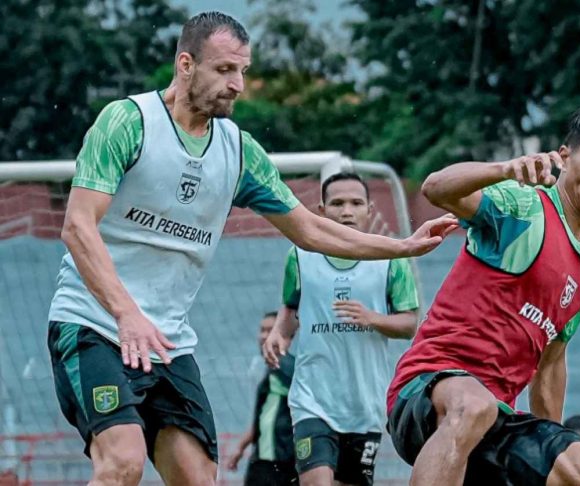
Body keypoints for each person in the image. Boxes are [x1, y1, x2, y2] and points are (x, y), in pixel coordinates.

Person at [46, 11, 457, 486]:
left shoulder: (239, 152)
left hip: (166, 341)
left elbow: (309, 229)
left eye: (243, 71)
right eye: (224, 70)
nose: (238, 84)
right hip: (94, 323)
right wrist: (125, 312)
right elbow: (78, 228)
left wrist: (401, 246)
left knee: (200, 478)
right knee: (122, 461)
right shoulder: (128, 122)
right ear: (185, 64)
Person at [386, 100, 580, 486]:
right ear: (565, 156)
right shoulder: (524, 206)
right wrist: (503, 169)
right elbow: (435, 189)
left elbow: (551, 368)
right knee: (473, 406)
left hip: (496, 423)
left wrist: (549, 452)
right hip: (424, 393)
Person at [264, 172, 420, 486]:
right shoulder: (300, 256)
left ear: (369, 210)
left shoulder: (392, 260)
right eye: (337, 203)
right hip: (313, 399)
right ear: (321, 210)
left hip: (364, 404)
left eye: (355, 203)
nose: (346, 210)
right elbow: (292, 308)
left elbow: (409, 324)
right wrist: (279, 333)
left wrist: (372, 318)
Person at [227, 312, 298, 485]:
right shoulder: (273, 370)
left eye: (270, 330)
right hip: (263, 459)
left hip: (281, 461)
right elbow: (264, 416)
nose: (264, 336)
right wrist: (241, 447)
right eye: (262, 330)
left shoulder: (286, 368)